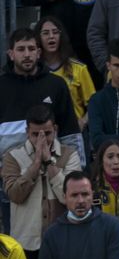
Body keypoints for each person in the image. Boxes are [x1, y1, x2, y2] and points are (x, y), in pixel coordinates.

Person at [4, 107, 81, 259]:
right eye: (35, 134)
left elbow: (69, 197)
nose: (42, 140)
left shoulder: (70, 155)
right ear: (27, 132)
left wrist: (49, 162)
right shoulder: (12, 157)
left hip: (61, 242)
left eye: (47, 133)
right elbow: (15, 195)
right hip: (25, 243)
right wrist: (36, 164)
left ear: (55, 129)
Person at [0, 27, 84, 160]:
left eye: (31, 49)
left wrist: (76, 167)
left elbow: (70, 133)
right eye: (21, 49)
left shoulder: (56, 84)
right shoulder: (2, 86)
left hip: (50, 167)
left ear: (39, 53)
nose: (27, 54)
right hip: (8, 169)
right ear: (11, 54)